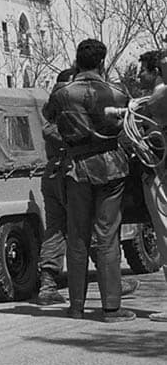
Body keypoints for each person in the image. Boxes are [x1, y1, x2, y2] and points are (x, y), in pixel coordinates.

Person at [43, 39, 134, 322]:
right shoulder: (119, 93)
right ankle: (111, 309)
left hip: (76, 169)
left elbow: (49, 118)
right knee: (107, 236)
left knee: (77, 236)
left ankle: (76, 307)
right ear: (102, 62)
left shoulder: (62, 93)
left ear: (76, 61)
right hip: (111, 168)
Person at [128, 50, 167, 322]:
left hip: (158, 172)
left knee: (165, 230)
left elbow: (144, 124)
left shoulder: (158, 97)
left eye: (143, 70)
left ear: (155, 71)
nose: (139, 74)